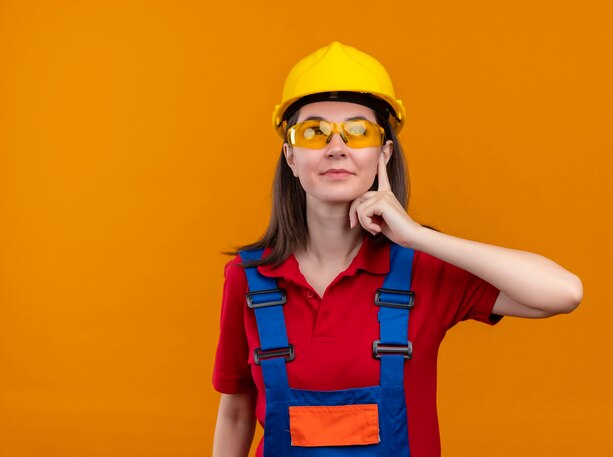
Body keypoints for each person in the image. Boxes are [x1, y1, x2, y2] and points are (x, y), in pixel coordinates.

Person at [211, 41, 583, 457]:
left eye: (359, 131)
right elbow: (236, 415)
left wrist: (417, 237)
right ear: (291, 157)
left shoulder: (423, 266)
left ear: (383, 154)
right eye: (314, 131)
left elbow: (564, 292)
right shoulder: (249, 279)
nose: (337, 146)